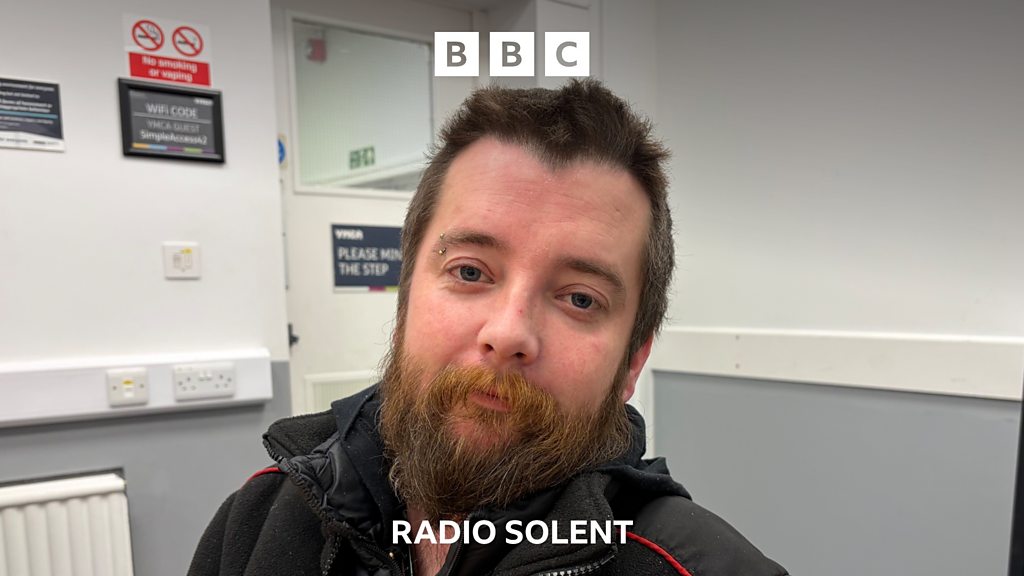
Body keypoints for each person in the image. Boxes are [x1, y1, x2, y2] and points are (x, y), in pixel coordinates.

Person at [188, 79, 788, 576]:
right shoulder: (256, 523)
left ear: (632, 362)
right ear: (405, 299)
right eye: (470, 271)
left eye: (580, 299)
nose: (507, 333)